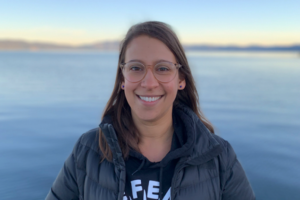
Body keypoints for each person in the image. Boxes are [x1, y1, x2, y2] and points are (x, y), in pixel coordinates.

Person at [46, 21, 255, 200]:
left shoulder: (218, 157)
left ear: (181, 79)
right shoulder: (88, 151)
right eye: (136, 68)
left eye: (162, 68)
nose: (149, 83)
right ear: (122, 79)